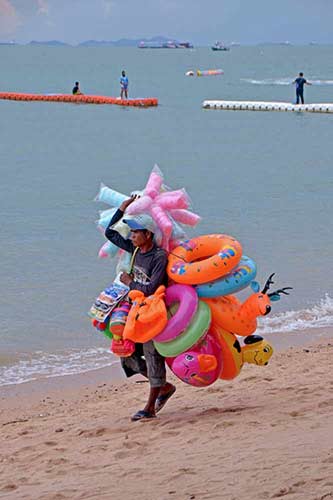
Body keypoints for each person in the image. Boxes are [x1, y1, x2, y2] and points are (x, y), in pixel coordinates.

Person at [105, 196, 176, 421]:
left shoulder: (158, 257)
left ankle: (150, 408)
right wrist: (122, 209)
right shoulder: (134, 250)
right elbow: (110, 233)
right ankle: (164, 388)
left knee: (151, 355)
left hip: (152, 313)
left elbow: (154, 286)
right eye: (132, 232)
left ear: (148, 234)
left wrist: (129, 282)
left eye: (136, 232)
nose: (132, 236)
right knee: (127, 354)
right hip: (135, 309)